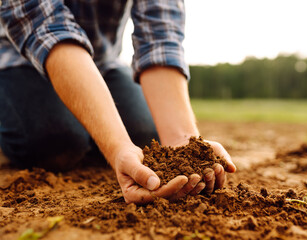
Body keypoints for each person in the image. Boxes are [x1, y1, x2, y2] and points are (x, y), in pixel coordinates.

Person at [0, 0, 236, 204]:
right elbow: (46, 27)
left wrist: (184, 141)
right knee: (57, 142)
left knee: (146, 135)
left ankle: (89, 131)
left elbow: (160, 37)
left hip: (103, 63)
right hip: (20, 62)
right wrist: (114, 147)